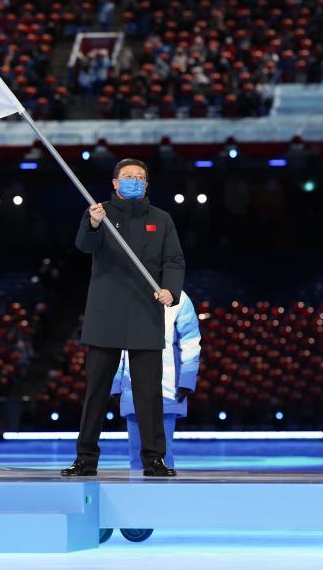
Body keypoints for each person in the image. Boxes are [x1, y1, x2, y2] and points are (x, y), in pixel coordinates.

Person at [61, 158, 185, 477]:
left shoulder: (162, 219)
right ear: (114, 183)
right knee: (97, 392)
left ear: (147, 185)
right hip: (107, 314)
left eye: (139, 177)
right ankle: (85, 459)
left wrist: (171, 290)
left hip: (146, 312)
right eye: (126, 176)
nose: (132, 181)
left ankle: (154, 459)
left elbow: (173, 260)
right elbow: (83, 246)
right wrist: (91, 224)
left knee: (148, 394)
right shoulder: (99, 212)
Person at [111, 290, 200, 470]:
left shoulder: (179, 298)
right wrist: (115, 383)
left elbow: (190, 340)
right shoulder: (127, 293)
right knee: (136, 454)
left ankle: (164, 496)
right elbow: (116, 343)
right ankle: (134, 496)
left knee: (163, 453)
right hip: (131, 386)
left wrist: (186, 379)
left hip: (167, 386)